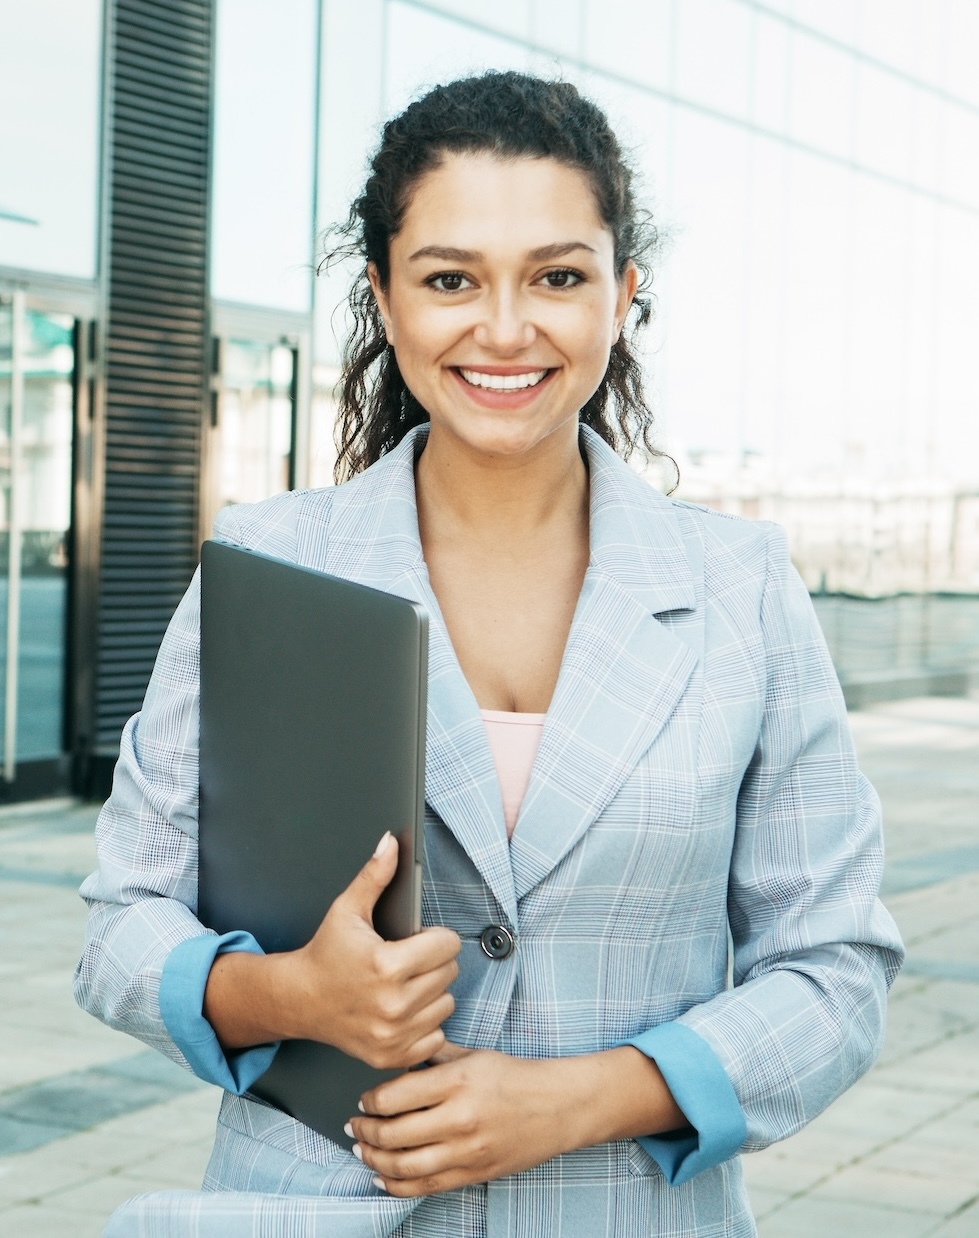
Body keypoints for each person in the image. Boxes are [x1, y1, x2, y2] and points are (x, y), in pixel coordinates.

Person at [76, 71, 903, 1237]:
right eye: (450, 278)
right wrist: (281, 991)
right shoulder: (266, 567)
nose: (504, 328)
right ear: (384, 294)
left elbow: (835, 967)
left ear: (623, 293)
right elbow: (122, 921)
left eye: (557, 277)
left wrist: (583, 1097)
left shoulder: (740, 588)